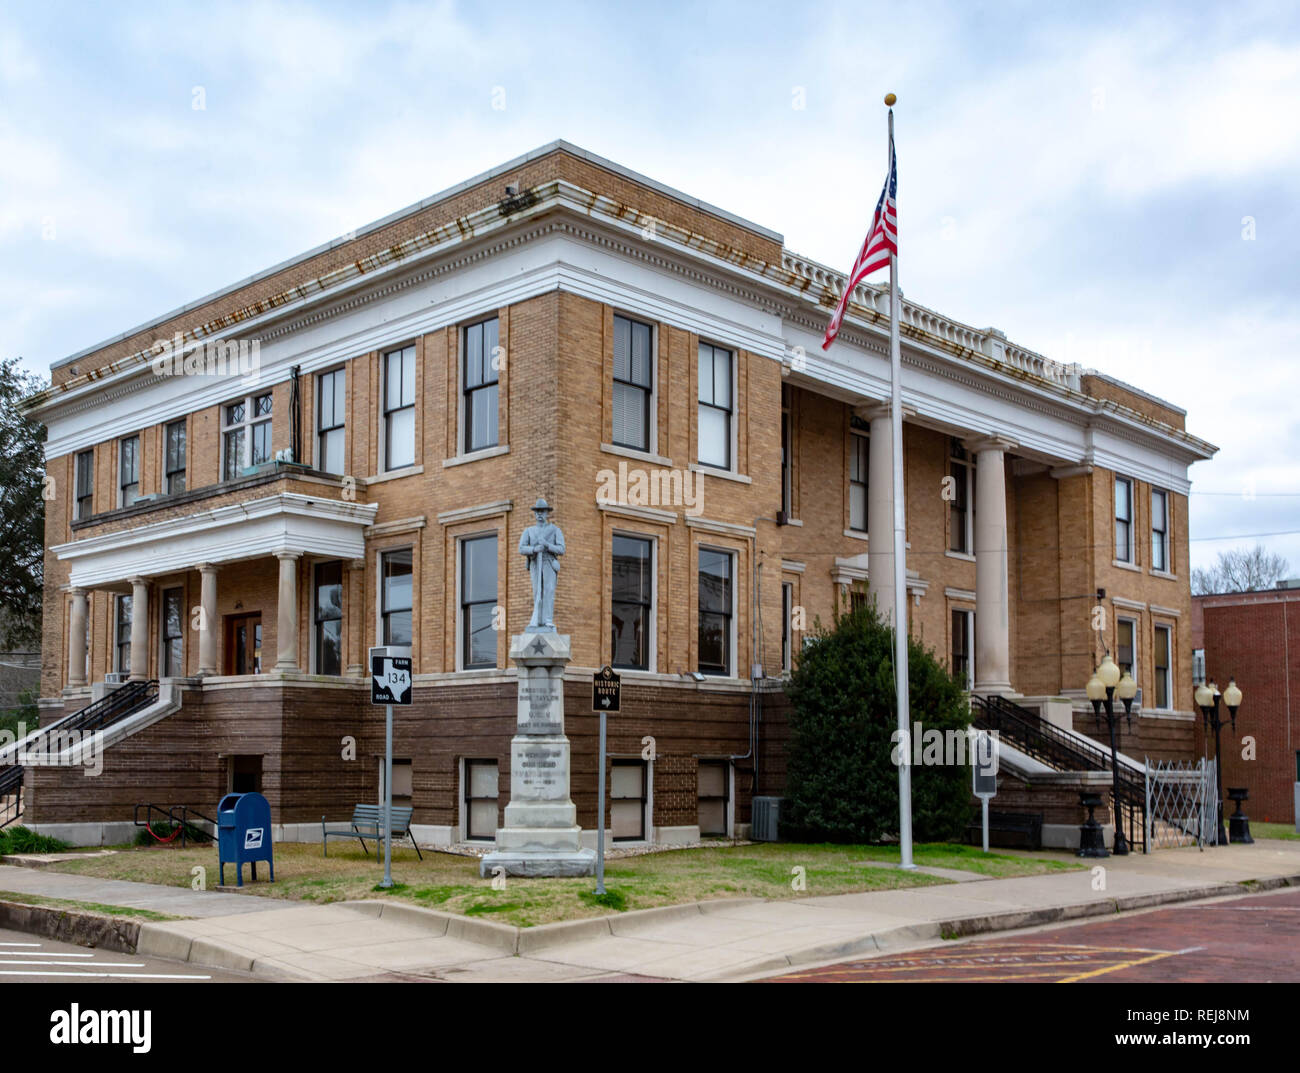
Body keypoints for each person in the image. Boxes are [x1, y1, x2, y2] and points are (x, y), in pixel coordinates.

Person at [519, 498, 565, 631]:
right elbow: (521, 548)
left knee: (548, 591)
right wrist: (533, 549)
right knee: (537, 591)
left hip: (549, 563)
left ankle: (548, 620)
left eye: (542, 511)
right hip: (535, 563)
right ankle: (537, 620)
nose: (539, 514)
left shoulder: (555, 530)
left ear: (546, 513)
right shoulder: (529, 531)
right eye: (537, 512)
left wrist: (547, 545)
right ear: (534, 514)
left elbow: (561, 549)